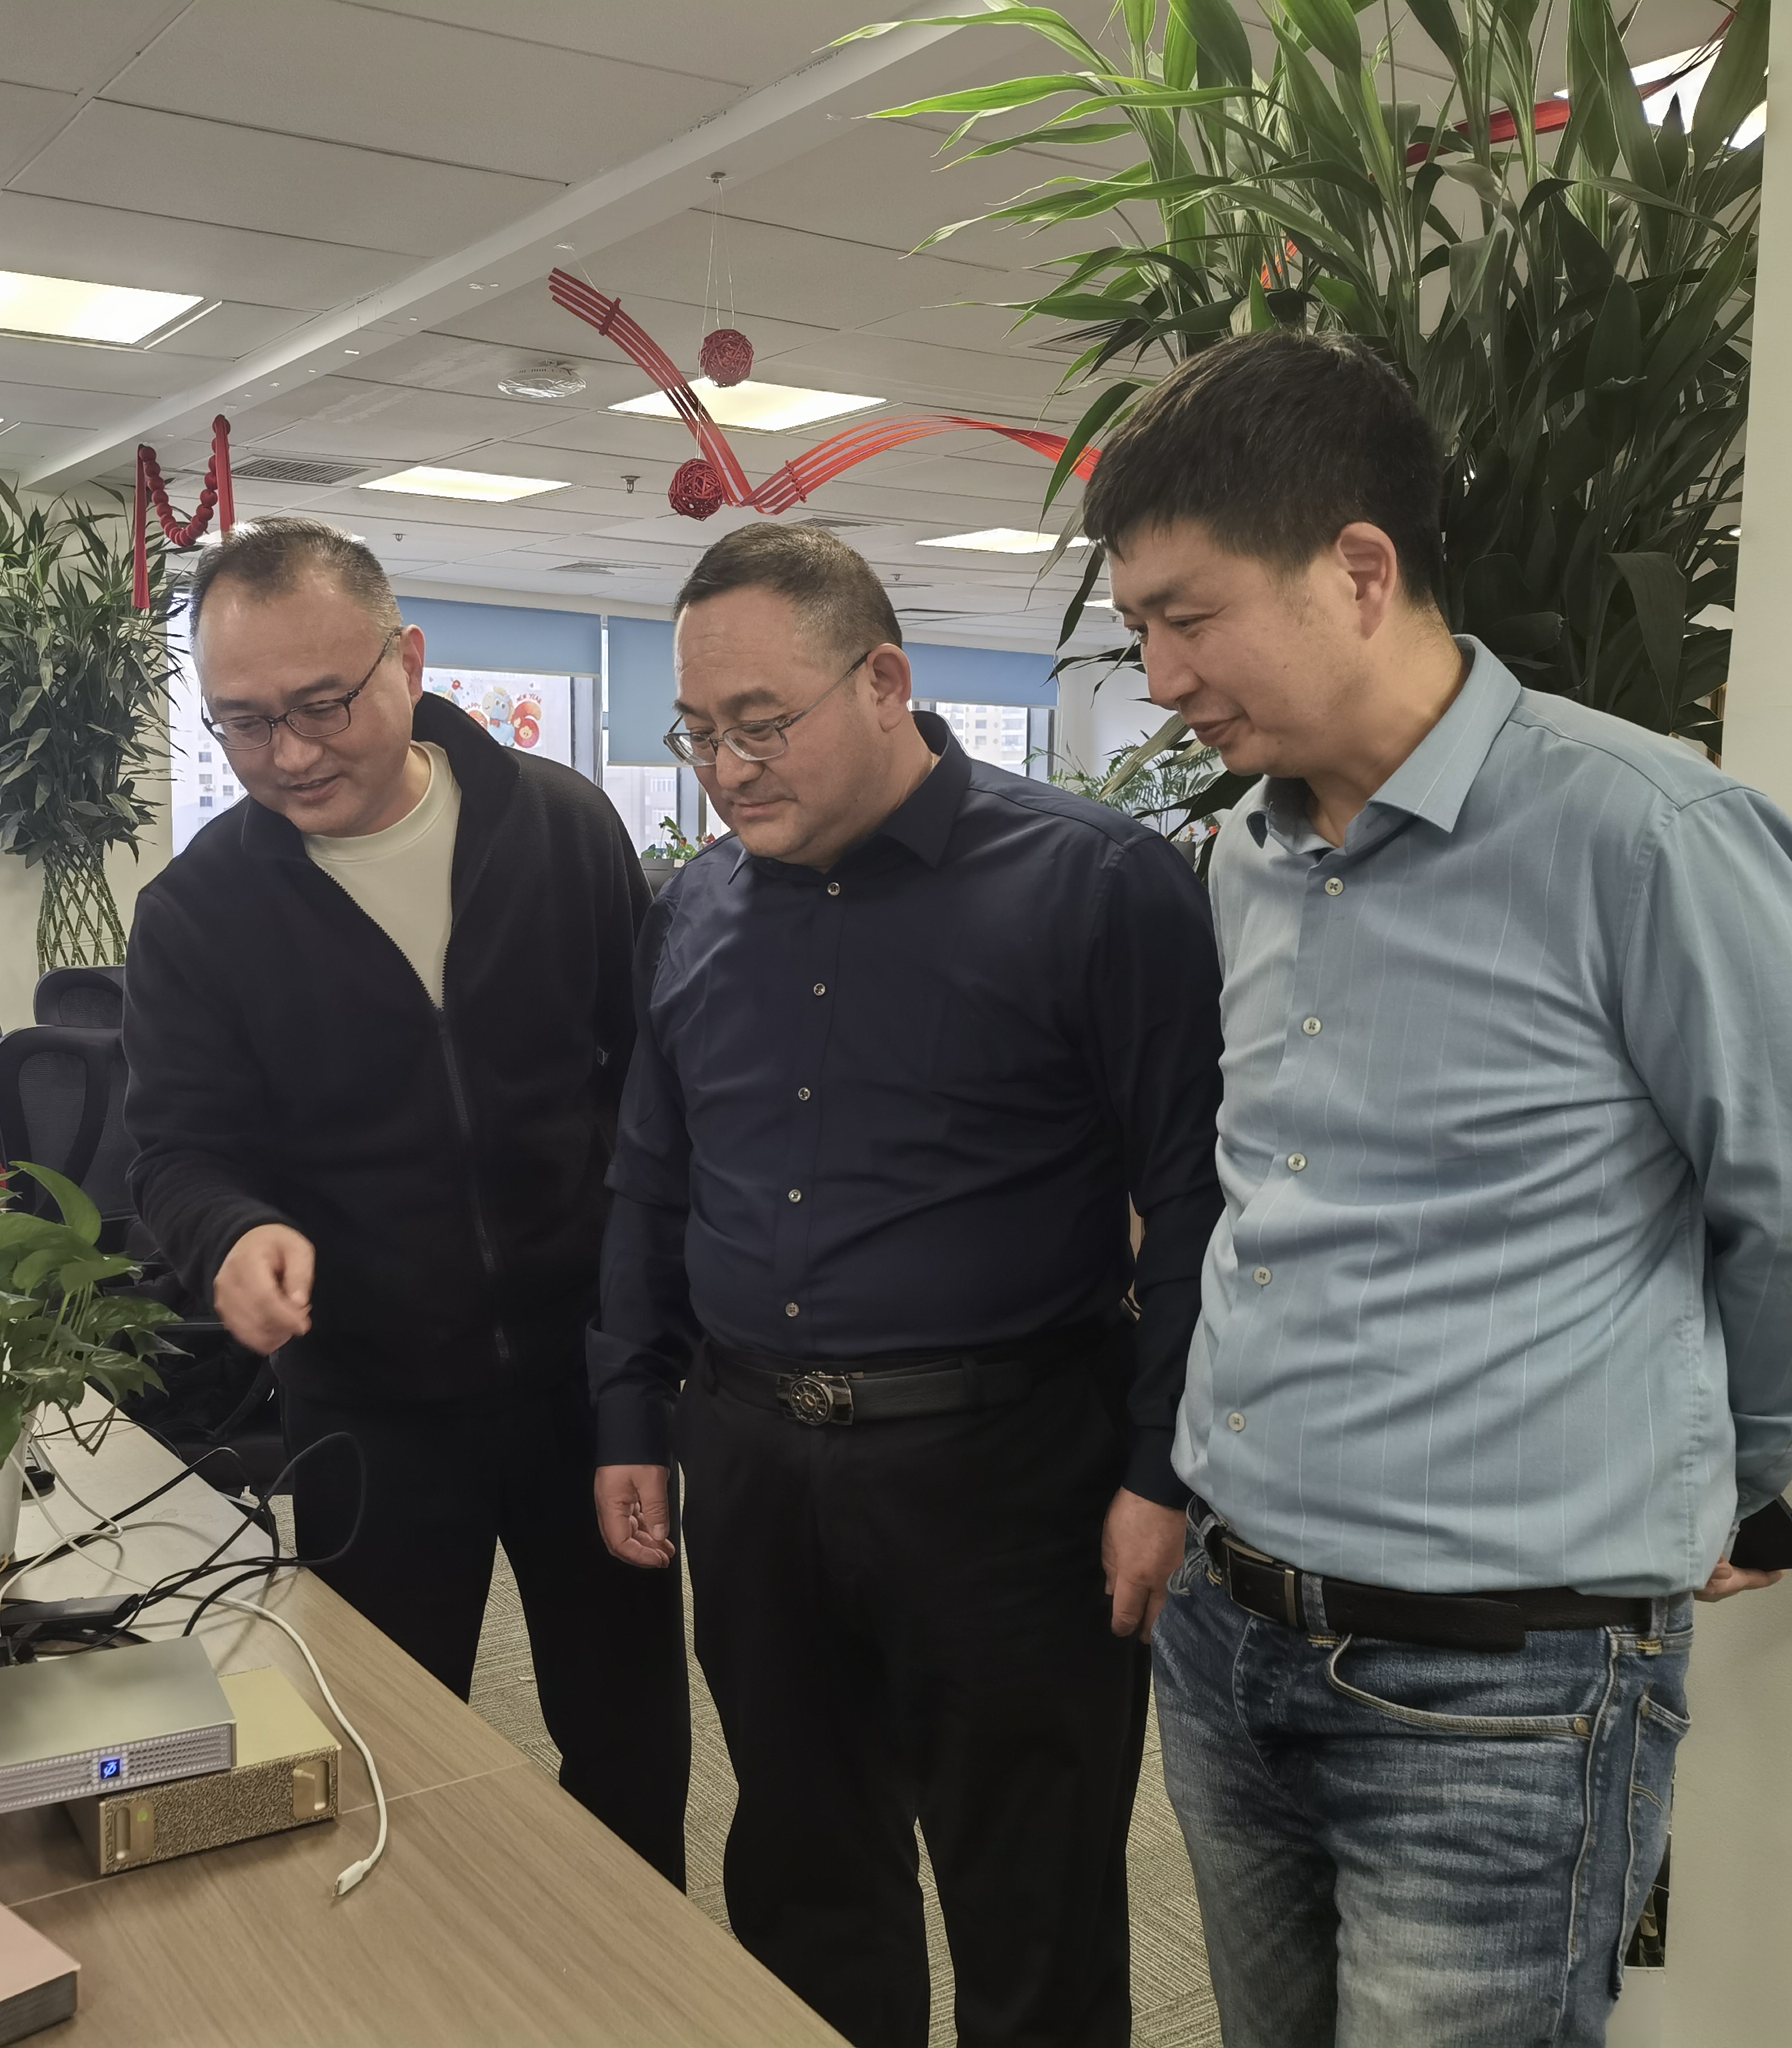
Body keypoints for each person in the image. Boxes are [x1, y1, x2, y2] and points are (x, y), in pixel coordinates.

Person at [1086, 333, 1792, 2046]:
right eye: (1138, 628)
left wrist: (1719, 1481)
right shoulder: (1246, 858)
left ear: (1357, 571)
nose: (1158, 677)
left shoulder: (1646, 836)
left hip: (1496, 1689)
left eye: (1185, 616)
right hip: (1232, 1636)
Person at [590, 524, 1225, 2047]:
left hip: (1009, 1473)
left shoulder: (1096, 886)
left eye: (760, 725)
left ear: (884, 682)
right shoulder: (692, 908)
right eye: (696, 733)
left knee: (1031, 1905)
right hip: (754, 1461)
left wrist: (1162, 1471)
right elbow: (650, 1178)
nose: (724, 771)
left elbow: (1195, 1204)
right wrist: (626, 1411)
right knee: (801, 1877)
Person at [125, 516, 689, 1885]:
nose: (288, 754)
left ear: (409, 660)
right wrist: (233, 1233)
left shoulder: (560, 826)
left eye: (323, 704)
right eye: (244, 721)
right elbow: (177, 1153)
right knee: (382, 1756)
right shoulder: (199, 913)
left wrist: (652, 1337)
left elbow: (646, 1092)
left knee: (629, 1740)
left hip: (586, 1386)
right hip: (366, 1399)